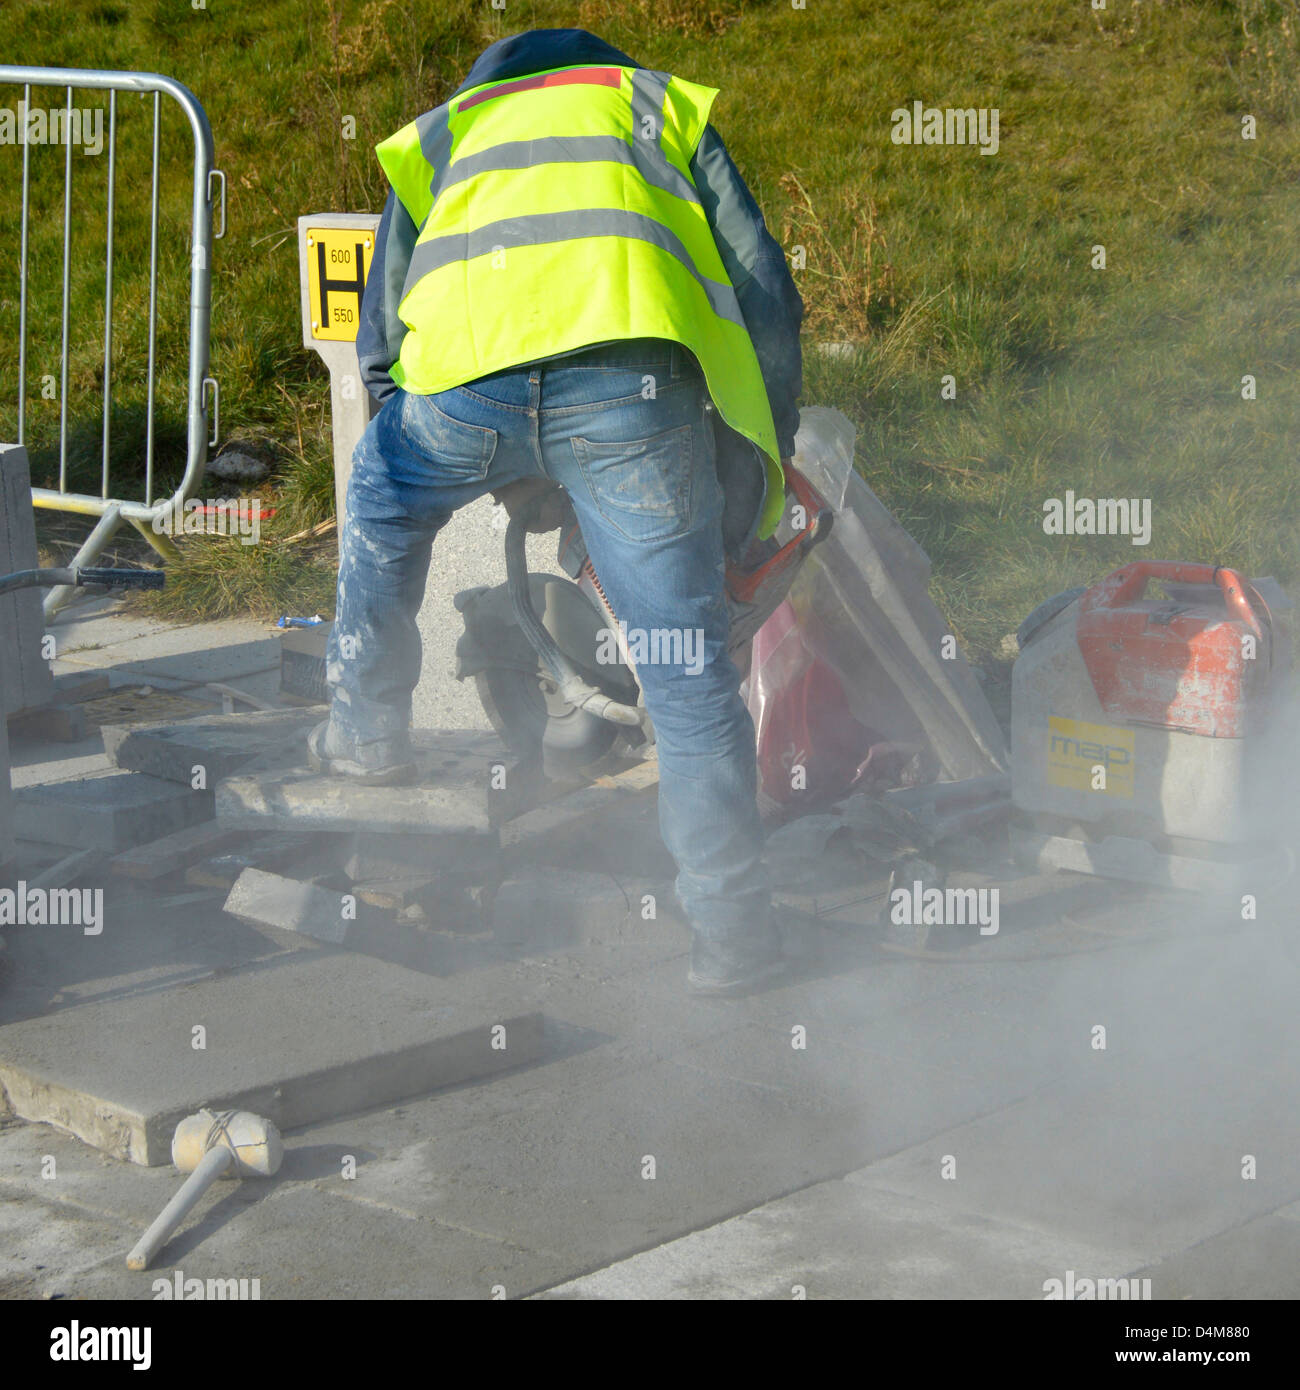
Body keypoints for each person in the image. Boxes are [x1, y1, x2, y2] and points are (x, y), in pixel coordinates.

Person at [310, 27, 804, 995]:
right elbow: (762, 289)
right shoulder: (651, 105)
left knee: (380, 504)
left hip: (465, 390)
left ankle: (367, 733)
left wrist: (408, 435)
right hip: (633, 398)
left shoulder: (450, 129)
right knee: (685, 671)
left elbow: (382, 320)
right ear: (591, 66)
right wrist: (764, 450)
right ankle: (735, 940)